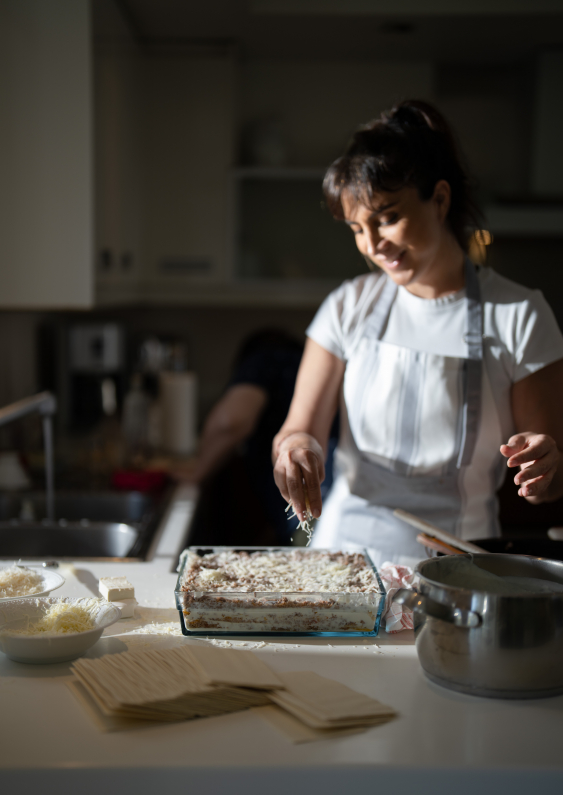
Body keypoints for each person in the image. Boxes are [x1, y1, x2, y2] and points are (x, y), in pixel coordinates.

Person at [273, 100, 563, 567]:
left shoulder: (519, 314)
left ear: (441, 199)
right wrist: (295, 451)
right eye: (356, 228)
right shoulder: (349, 306)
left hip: (462, 568)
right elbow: (297, 429)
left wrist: (546, 466)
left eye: (386, 217)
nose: (372, 245)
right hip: (345, 556)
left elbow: (549, 485)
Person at [178, 330, 337, 546]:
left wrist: (197, 472)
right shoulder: (310, 365)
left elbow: (230, 421)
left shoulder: (265, 360)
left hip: (319, 507)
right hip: (339, 494)